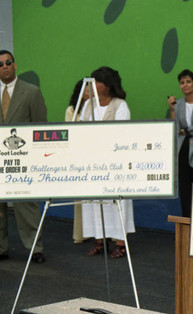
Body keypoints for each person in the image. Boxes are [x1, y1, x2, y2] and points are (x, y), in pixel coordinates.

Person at [80, 66, 135, 259]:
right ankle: (99, 240)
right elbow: (80, 128)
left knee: (116, 202)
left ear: (107, 85)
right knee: (95, 202)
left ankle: (120, 243)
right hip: (93, 162)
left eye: (97, 82)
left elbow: (120, 134)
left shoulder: (120, 106)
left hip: (114, 164)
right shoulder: (88, 105)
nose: (93, 86)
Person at [0, 50, 48, 264]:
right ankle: (1, 248)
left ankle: (34, 247)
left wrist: (39, 159)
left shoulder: (31, 92)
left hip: (24, 160)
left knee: (26, 204)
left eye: (8, 62)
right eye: (0, 64)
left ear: (15, 65)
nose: (4, 67)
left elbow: (41, 127)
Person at [166, 70, 193, 218]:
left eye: (188, 82)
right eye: (182, 82)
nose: (185, 85)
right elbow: (175, 127)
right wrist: (172, 109)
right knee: (184, 188)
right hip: (183, 148)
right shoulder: (178, 104)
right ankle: (186, 221)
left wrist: (185, 131)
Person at [66, 79, 90, 244]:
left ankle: (100, 234)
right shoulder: (72, 110)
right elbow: (70, 131)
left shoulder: (98, 108)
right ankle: (80, 233)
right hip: (80, 156)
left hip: (97, 155)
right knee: (81, 199)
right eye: (87, 91)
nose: (90, 94)